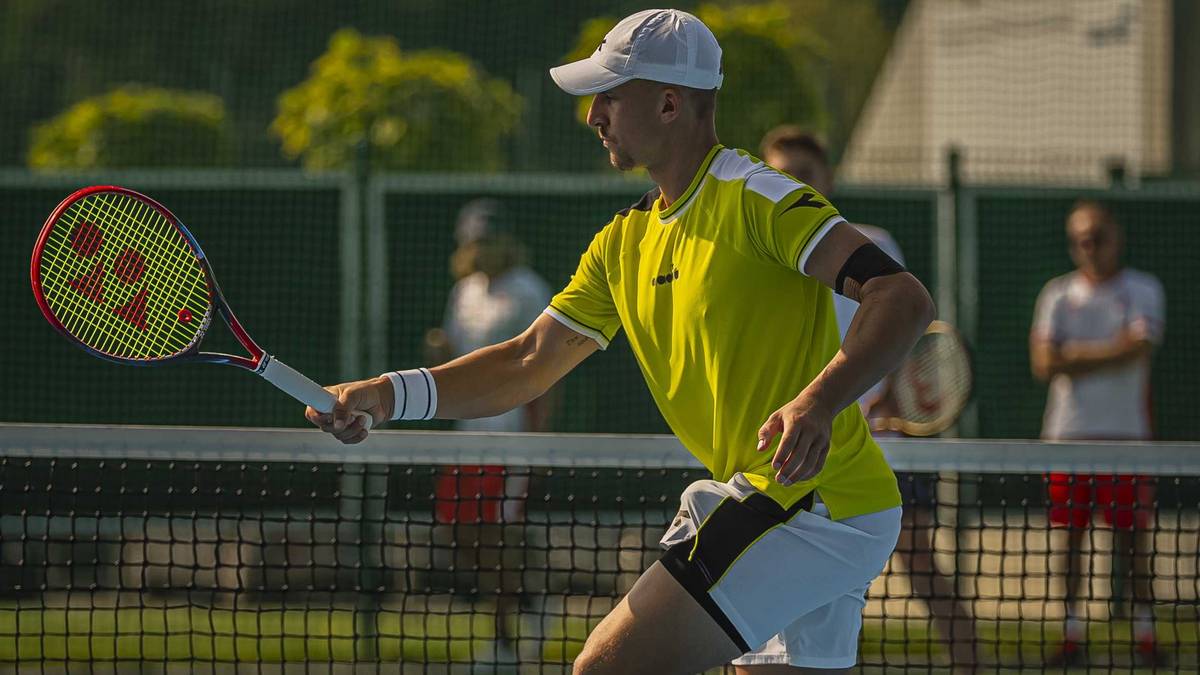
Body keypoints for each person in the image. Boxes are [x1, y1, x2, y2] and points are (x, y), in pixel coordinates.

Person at [309, 9, 934, 674]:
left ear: (669, 103)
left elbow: (901, 297)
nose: (593, 116)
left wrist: (818, 400)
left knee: (604, 667)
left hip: (812, 502)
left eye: (609, 95)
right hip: (814, 504)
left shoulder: (759, 198)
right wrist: (384, 394)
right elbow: (527, 361)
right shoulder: (622, 243)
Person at [761, 126, 978, 673]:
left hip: (882, 451)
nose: (794, 185)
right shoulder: (762, 260)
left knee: (922, 567)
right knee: (782, 586)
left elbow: (901, 335)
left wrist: (895, 403)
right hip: (796, 453)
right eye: (781, 174)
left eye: (804, 175)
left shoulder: (870, 246)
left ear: (828, 179)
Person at [1030, 200, 1166, 668]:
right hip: (1067, 440)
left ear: (1116, 237)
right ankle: (1071, 635)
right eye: (1081, 239)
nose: (1090, 247)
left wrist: (1073, 355)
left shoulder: (1143, 289)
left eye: (1098, 237)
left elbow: (1140, 347)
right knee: (1069, 542)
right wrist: (1111, 349)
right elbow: (1044, 363)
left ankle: (1146, 637)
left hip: (1127, 440)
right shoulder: (1055, 294)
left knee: (1134, 543)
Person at [422, 198, 554, 668]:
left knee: (501, 540)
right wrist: (440, 351)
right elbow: (459, 365)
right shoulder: (463, 292)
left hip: (510, 438)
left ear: (508, 242)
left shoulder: (528, 289)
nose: (483, 248)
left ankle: (505, 644)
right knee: (460, 535)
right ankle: (532, 607)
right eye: (476, 240)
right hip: (465, 438)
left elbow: (544, 371)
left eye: (491, 239)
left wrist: (537, 444)